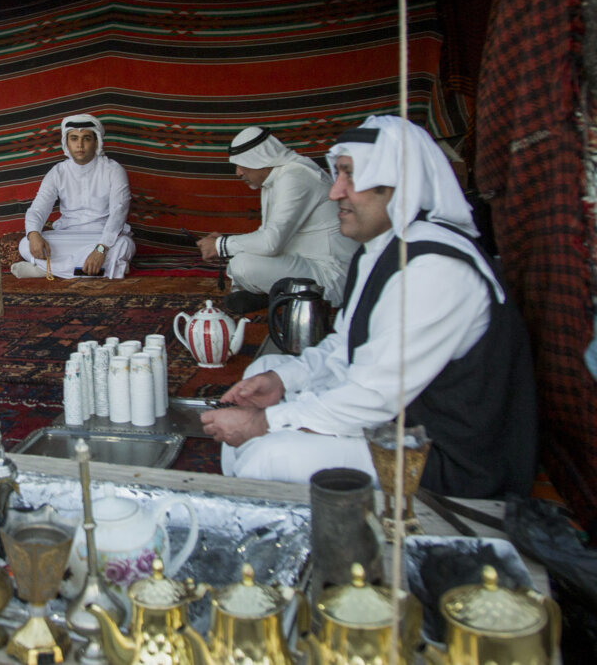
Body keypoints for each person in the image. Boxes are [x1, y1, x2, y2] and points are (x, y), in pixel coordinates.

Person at [200, 115, 536, 499]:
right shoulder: (379, 250)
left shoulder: (434, 269)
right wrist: (282, 383)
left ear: (401, 185)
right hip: (396, 424)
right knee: (265, 370)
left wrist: (267, 422)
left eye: (351, 178)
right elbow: (343, 347)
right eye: (338, 175)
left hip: (446, 459)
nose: (335, 192)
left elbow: (374, 396)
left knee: (267, 455)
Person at [196, 126, 357, 313]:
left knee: (242, 265)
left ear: (260, 159)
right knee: (240, 257)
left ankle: (276, 296)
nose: (238, 173)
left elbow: (271, 243)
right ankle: (277, 295)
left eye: (242, 164)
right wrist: (224, 243)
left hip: (331, 276)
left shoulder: (295, 177)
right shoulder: (274, 179)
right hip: (304, 263)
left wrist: (220, 245)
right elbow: (267, 236)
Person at [12, 114, 136, 279]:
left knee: (125, 245)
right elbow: (37, 209)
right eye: (74, 138)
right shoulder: (58, 172)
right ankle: (108, 269)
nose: (80, 144)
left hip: (103, 238)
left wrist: (100, 249)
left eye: (86, 138)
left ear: (96, 142)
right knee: (25, 244)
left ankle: (46, 270)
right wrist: (34, 233)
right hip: (68, 235)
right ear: (66, 143)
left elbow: (118, 215)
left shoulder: (113, 170)